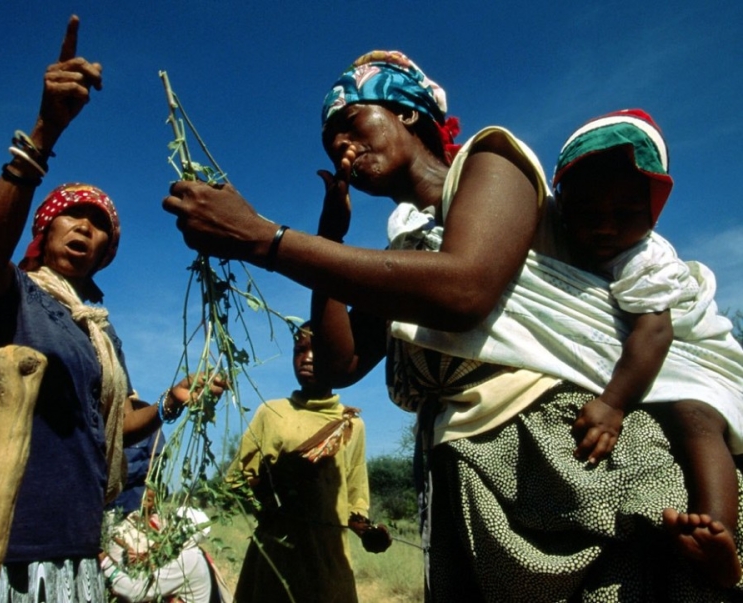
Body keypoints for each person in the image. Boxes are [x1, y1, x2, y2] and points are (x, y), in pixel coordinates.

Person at [161, 50, 743, 600]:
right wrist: (328, 238)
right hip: (462, 466)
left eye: (352, 120)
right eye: (329, 139)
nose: (340, 143)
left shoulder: (492, 163)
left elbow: (466, 288)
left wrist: (267, 240)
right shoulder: (404, 250)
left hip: (561, 446)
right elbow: (340, 365)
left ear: (407, 112)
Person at [0, 17, 208, 602]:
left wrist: (170, 405)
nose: (86, 228)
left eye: (101, 225)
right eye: (74, 215)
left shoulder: (97, 331)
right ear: (43, 229)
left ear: (108, 252)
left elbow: (103, 429)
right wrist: (45, 133)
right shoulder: (14, 295)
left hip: (71, 547)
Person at [553, 109, 743, 588]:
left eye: (626, 214)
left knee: (695, 418)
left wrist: (613, 404)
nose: (606, 227)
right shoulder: (566, 253)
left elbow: (655, 333)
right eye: (589, 214)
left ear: (652, 213)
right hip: (653, 352)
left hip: (694, 352)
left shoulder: (645, 258)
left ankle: (717, 534)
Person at [226, 323, 390, 603]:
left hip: (327, 561)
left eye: (320, 351)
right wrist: (269, 507)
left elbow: (354, 502)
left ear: (339, 358)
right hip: (276, 558)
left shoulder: (351, 424)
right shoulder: (271, 413)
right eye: (300, 350)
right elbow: (237, 480)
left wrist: (368, 532)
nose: (308, 358)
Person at [101, 491, 230, 603]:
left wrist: (107, 565)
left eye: (173, 526)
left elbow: (137, 592)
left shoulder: (187, 559)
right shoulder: (190, 553)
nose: (167, 529)